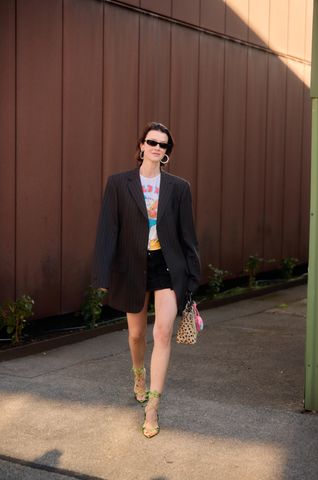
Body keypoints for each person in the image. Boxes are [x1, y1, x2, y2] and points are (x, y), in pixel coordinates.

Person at [91, 121, 200, 438]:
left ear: (167, 153)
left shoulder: (179, 188)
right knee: (137, 335)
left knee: (163, 333)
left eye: (163, 145)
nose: (157, 147)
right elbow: (107, 231)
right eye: (152, 142)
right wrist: (101, 273)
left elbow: (187, 236)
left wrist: (193, 276)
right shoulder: (118, 183)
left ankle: (152, 406)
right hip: (131, 266)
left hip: (167, 266)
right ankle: (138, 374)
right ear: (141, 145)